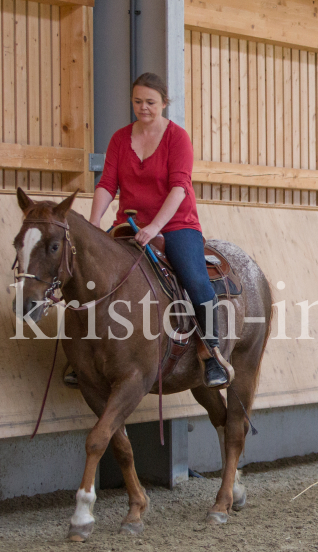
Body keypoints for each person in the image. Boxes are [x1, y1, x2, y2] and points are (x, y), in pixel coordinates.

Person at [85, 72, 230, 389]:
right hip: (129, 223)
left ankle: (211, 353)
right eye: (137, 101)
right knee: (90, 274)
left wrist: (154, 227)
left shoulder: (177, 138)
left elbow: (180, 188)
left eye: (150, 102)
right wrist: (94, 224)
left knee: (195, 279)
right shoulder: (120, 139)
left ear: (164, 103)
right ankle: (83, 355)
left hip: (176, 223)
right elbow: (107, 185)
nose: (143, 107)